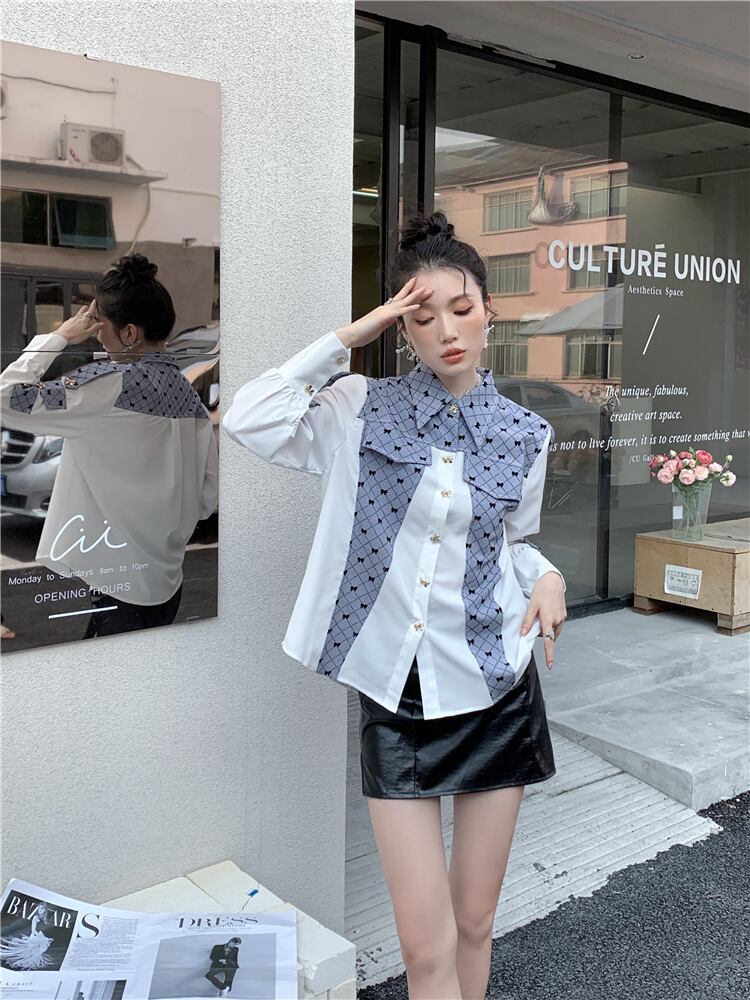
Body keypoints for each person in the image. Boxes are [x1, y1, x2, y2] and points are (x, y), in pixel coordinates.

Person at [222, 212, 567, 999]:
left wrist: (547, 576)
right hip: (398, 698)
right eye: (421, 316)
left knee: (475, 922)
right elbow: (248, 417)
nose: (446, 330)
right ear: (401, 330)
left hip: (497, 691)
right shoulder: (355, 407)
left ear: (490, 311)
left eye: (462, 309)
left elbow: (511, 542)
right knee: (425, 946)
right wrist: (352, 334)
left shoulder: (526, 433)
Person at [0, 254, 219, 637]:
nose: (96, 335)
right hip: (167, 583)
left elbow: (6, 396)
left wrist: (60, 336)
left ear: (130, 333)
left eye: (99, 324)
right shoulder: (191, 399)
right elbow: (206, 498)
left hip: (119, 587)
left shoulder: (107, 385)